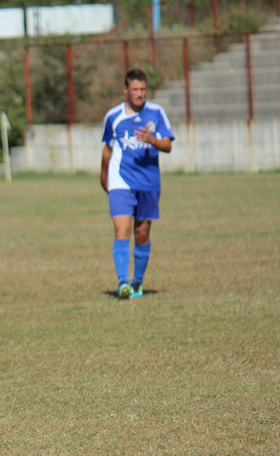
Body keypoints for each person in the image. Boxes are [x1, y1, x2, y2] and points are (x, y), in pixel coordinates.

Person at [100, 68, 174, 299]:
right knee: (121, 230)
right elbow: (107, 149)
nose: (139, 94)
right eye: (135, 89)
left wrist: (152, 140)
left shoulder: (157, 113)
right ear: (126, 90)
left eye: (143, 89)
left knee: (142, 234)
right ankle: (122, 282)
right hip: (121, 181)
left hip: (149, 183)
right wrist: (104, 177)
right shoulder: (113, 116)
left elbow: (168, 146)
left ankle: (137, 283)